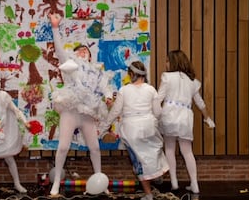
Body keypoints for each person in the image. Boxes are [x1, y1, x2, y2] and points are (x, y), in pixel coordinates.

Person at [48, 13, 114, 196]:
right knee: (63, 147)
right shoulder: (71, 65)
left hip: (87, 113)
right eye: (80, 50)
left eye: (87, 50)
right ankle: (55, 184)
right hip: (70, 110)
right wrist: (55, 27)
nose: (84, 51)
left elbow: (105, 87)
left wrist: (108, 97)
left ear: (91, 55)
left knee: (94, 147)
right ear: (75, 54)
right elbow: (60, 50)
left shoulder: (97, 72)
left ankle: (100, 180)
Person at [100, 61, 169, 200]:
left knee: (139, 162)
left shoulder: (124, 90)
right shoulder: (151, 89)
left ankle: (149, 194)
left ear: (131, 74)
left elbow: (115, 112)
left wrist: (104, 127)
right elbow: (158, 112)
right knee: (154, 154)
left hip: (131, 130)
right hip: (149, 127)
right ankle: (157, 175)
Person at [153, 50, 215, 194]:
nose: (166, 64)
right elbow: (200, 103)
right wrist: (208, 118)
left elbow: (158, 98)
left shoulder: (167, 77)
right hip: (186, 117)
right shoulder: (192, 81)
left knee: (169, 148)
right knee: (187, 151)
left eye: (168, 61)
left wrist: (156, 114)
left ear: (174, 62)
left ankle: (174, 181)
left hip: (169, 115)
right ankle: (194, 183)